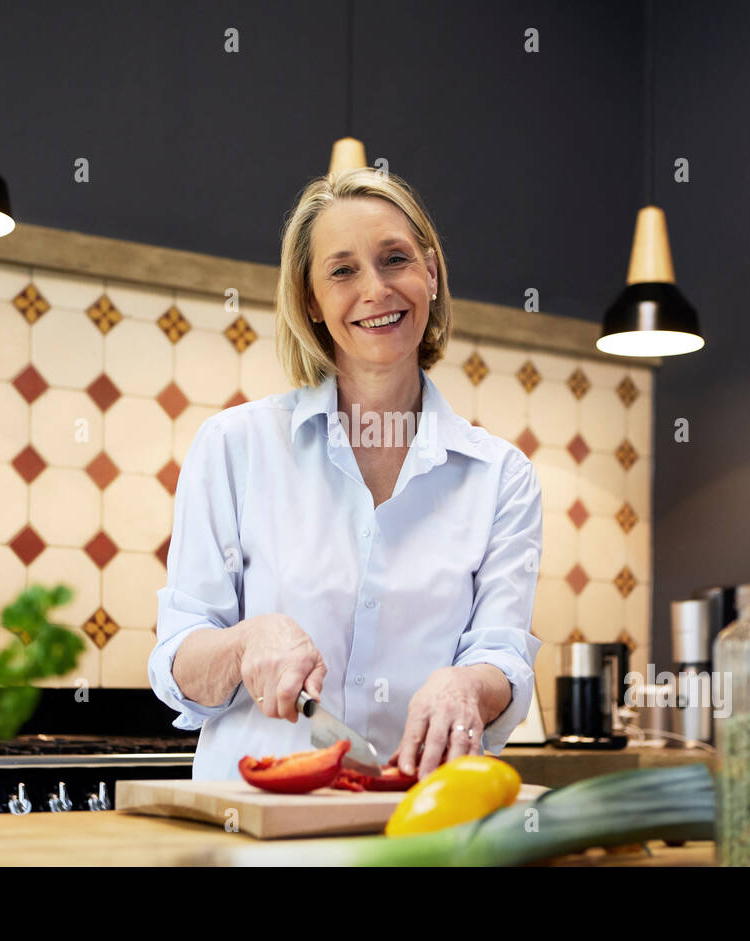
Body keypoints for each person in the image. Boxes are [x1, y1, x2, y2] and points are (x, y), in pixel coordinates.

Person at [148, 167, 543, 781]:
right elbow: (177, 660)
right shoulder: (236, 446)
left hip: (411, 824)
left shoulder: (501, 477)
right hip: (254, 827)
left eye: (395, 259)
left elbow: (501, 655)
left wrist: (467, 684)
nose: (376, 289)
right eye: (342, 270)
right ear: (310, 298)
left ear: (430, 274)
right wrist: (245, 643)